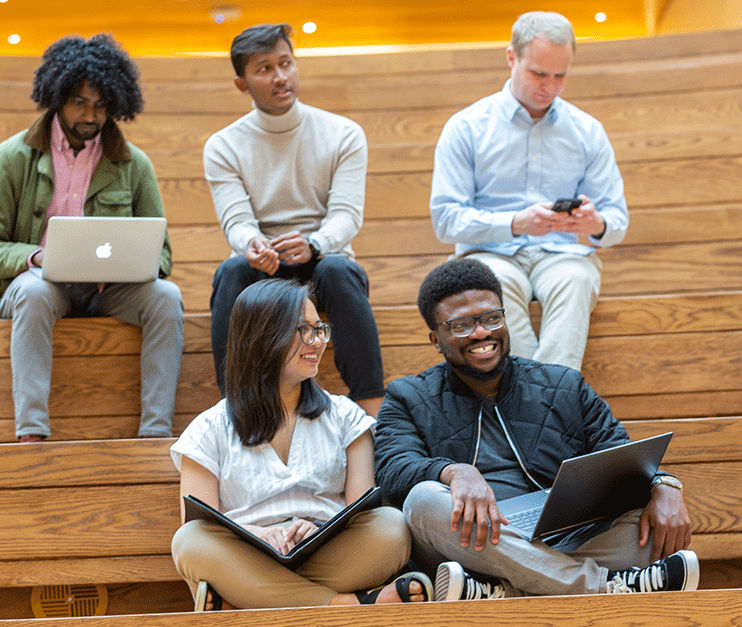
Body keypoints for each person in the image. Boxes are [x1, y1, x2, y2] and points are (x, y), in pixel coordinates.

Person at [374, 258, 698, 600]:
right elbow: (393, 472)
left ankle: (495, 591)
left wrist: (664, 484)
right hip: (472, 541)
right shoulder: (407, 396)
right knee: (423, 501)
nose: (482, 332)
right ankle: (602, 586)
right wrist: (453, 472)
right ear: (435, 339)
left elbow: (622, 456)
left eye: (491, 318)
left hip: (561, 537)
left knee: (644, 525)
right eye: (461, 325)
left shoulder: (563, 384)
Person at [0, 34, 184, 442]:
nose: (91, 114)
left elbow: (163, 255)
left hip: (110, 291)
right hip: (43, 286)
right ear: (57, 97)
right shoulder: (13, 157)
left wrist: (132, 264)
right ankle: (31, 432)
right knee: (33, 293)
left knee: (167, 298)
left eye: (101, 105)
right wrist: (37, 258)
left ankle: (156, 433)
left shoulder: (134, 164)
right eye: (80, 102)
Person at [170, 279, 431, 610]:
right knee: (190, 542)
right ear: (261, 336)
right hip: (245, 552)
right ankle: (345, 606)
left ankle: (245, 598)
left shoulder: (346, 417)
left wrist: (319, 528)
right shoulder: (208, 428)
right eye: (303, 331)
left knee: (391, 528)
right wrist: (260, 533)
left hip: (326, 552)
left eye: (319, 329)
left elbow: (361, 509)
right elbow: (197, 521)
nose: (317, 342)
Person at [430, 11, 629, 371]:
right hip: (491, 254)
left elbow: (616, 222)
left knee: (576, 279)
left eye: (560, 76)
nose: (549, 87)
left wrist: (594, 224)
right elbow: (446, 220)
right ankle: (554, 406)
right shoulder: (466, 127)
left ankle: (536, 404)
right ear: (511, 57)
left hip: (562, 255)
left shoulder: (587, 130)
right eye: (539, 73)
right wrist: (515, 223)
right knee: (495, 286)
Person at [204, 23, 385, 417]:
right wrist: (251, 245)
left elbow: (346, 216)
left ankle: (373, 411)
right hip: (262, 268)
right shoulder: (223, 145)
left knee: (340, 271)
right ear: (242, 83)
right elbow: (236, 220)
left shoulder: (343, 134)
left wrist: (315, 243)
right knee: (231, 271)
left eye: (285, 63)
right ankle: (231, 408)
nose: (280, 77)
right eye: (264, 68)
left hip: (324, 259)